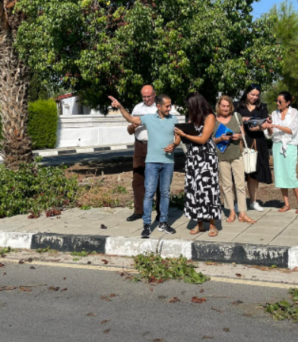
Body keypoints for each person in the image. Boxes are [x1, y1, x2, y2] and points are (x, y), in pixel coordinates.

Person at [109, 94, 179, 238]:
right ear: (158, 107)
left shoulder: (174, 119)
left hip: (168, 162)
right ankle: (146, 225)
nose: (169, 108)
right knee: (149, 193)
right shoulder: (148, 118)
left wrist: (174, 144)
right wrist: (121, 107)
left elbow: (178, 137)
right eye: (167, 106)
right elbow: (131, 119)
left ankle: (163, 222)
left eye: (170, 105)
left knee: (165, 193)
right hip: (152, 161)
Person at [175, 93, 222, 237]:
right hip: (193, 157)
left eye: (190, 105)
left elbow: (203, 139)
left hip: (206, 158)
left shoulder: (210, 117)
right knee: (194, 190)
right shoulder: (191, 118)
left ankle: (212, 224)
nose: (188, 108)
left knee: (208, 191)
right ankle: (199, 223)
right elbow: (183, 138)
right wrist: (177, 135)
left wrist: (185, 135)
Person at [213, 95, 255, 224]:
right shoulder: (213, 119)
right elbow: (210, 140)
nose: (225, 108)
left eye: (227, 106)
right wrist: (220, 139)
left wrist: (238, 137)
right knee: (226, 185)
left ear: (231, 106)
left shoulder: (237, 117)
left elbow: (243, 134)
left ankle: (242, 213)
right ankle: (231, 212)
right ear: (219, 106)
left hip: (237, 155)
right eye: (223, 106)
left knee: (240, 185)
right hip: (222, 157)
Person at [126, 85, 161, 222]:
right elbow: (129, 131)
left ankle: (160, 212)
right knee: (138, 178)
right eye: (144, 97)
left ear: (154, 94)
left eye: (149, 96)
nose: (146, 99)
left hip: (155, 145)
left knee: (158, 178)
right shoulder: (137, 108)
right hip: (140, 145)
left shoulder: (159, 107)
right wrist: (132, 126)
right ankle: (139, 210)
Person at [235, 84, 272, 211]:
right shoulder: (237, 106)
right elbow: (231, 120)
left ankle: (253, 201)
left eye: (257, 95)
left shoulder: (262, 107)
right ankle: (239, 202)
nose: (255, 97)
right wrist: (242, 119)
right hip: (241, 141)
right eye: (252, 94)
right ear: (246, 93)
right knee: (239, 172)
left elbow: (267, 123)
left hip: (257, 141)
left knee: (254, 172)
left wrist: (260, 127)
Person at [263, 92, 298, 212]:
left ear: (287, 102)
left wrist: (276, 125)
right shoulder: (274, 114)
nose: (277, 103)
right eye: (276, 101)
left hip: (289, 146)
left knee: (291, 175)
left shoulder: (294, 113)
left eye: (280, 102)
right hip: (277, 145)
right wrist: (269, 127)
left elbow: (291, 130)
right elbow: (270, 134)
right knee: (281, 174)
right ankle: (286, 204)